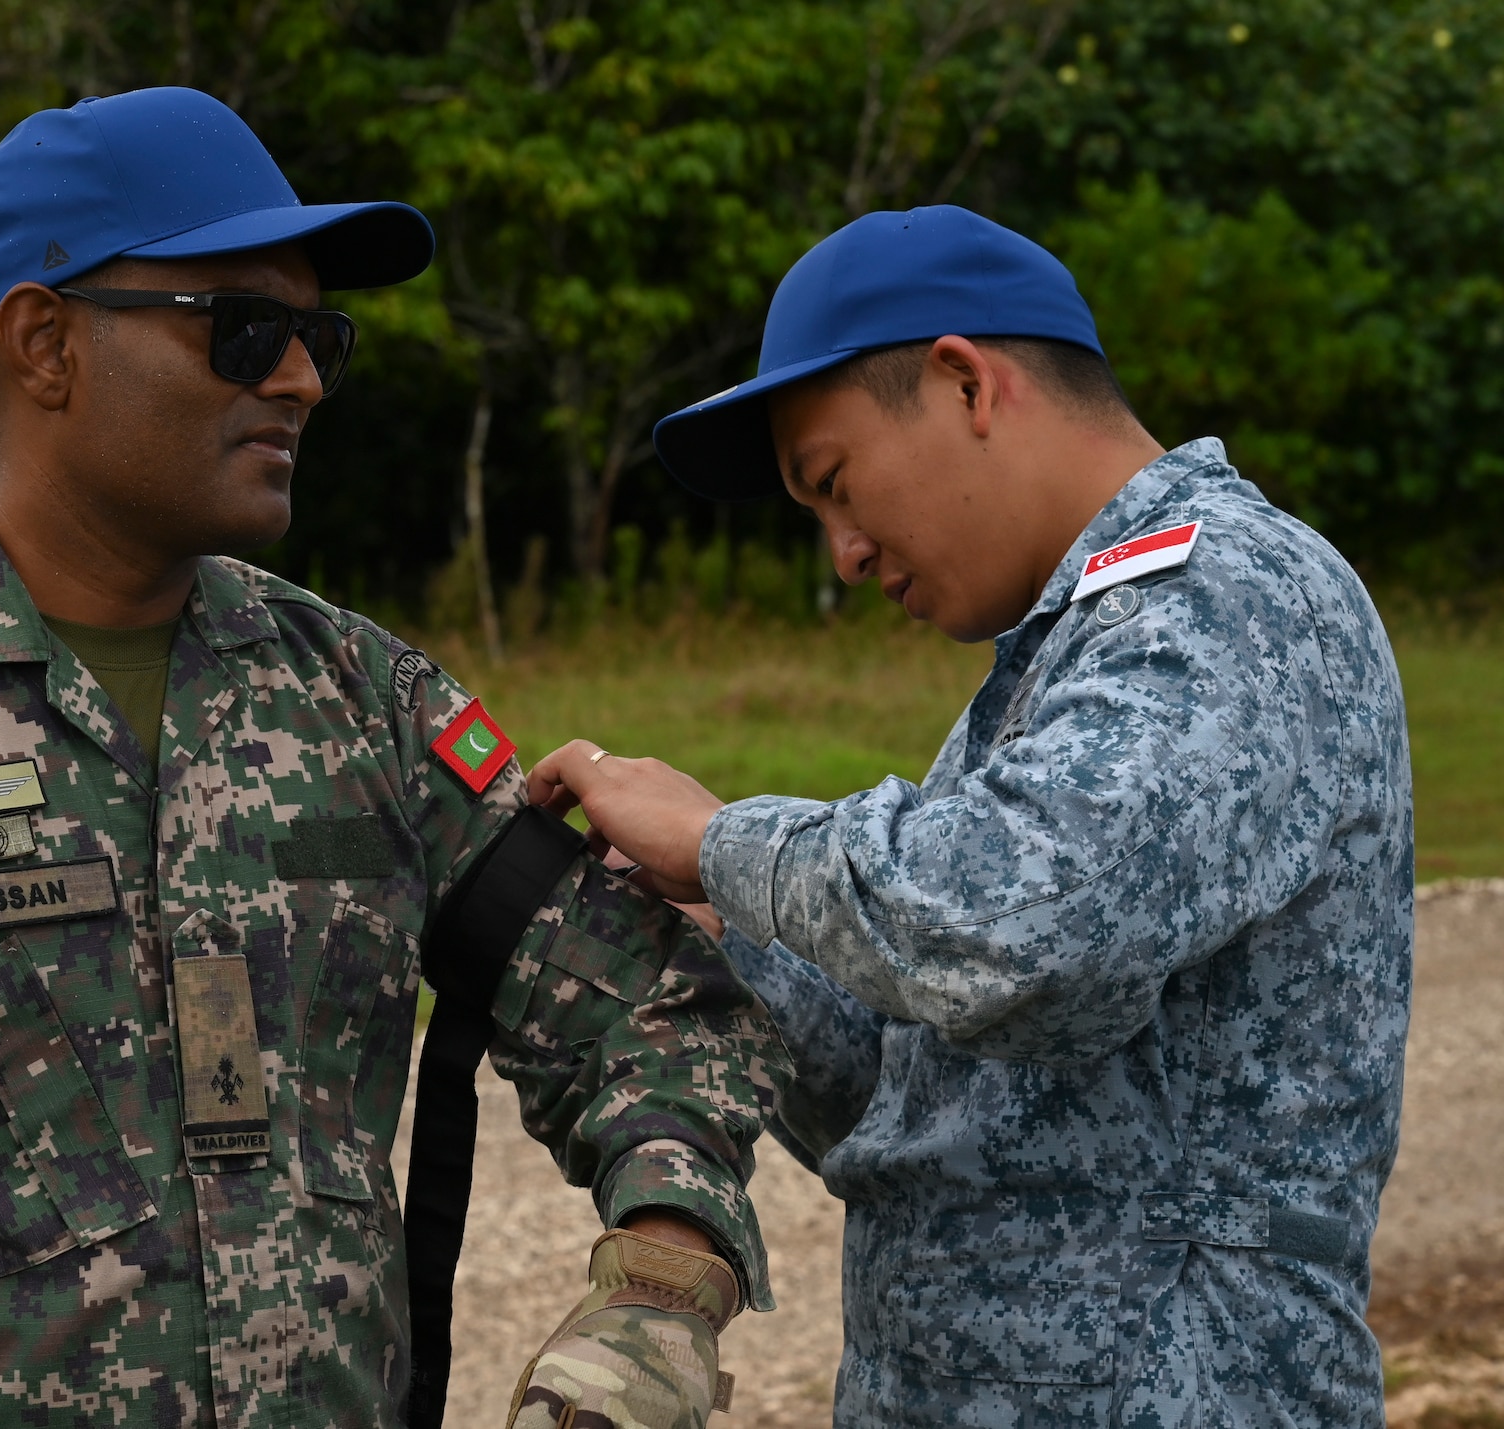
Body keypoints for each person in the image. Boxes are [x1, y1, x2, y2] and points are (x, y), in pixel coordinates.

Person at [0, 86, 786, 1429]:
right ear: (44, 342)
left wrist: (664, 1281)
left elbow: (649, 1006)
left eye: (315, 332)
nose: (303, 378)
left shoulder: (362, 703)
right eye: (244, 330)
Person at [532, 205, 1412, 1427]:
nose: (838, 554)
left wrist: (723, 842)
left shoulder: (1232, 597)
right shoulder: (1069, 657)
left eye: (832, 484)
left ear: (961, 382)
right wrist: (714, 918)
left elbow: (1029, 926)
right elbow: (906, 1096)